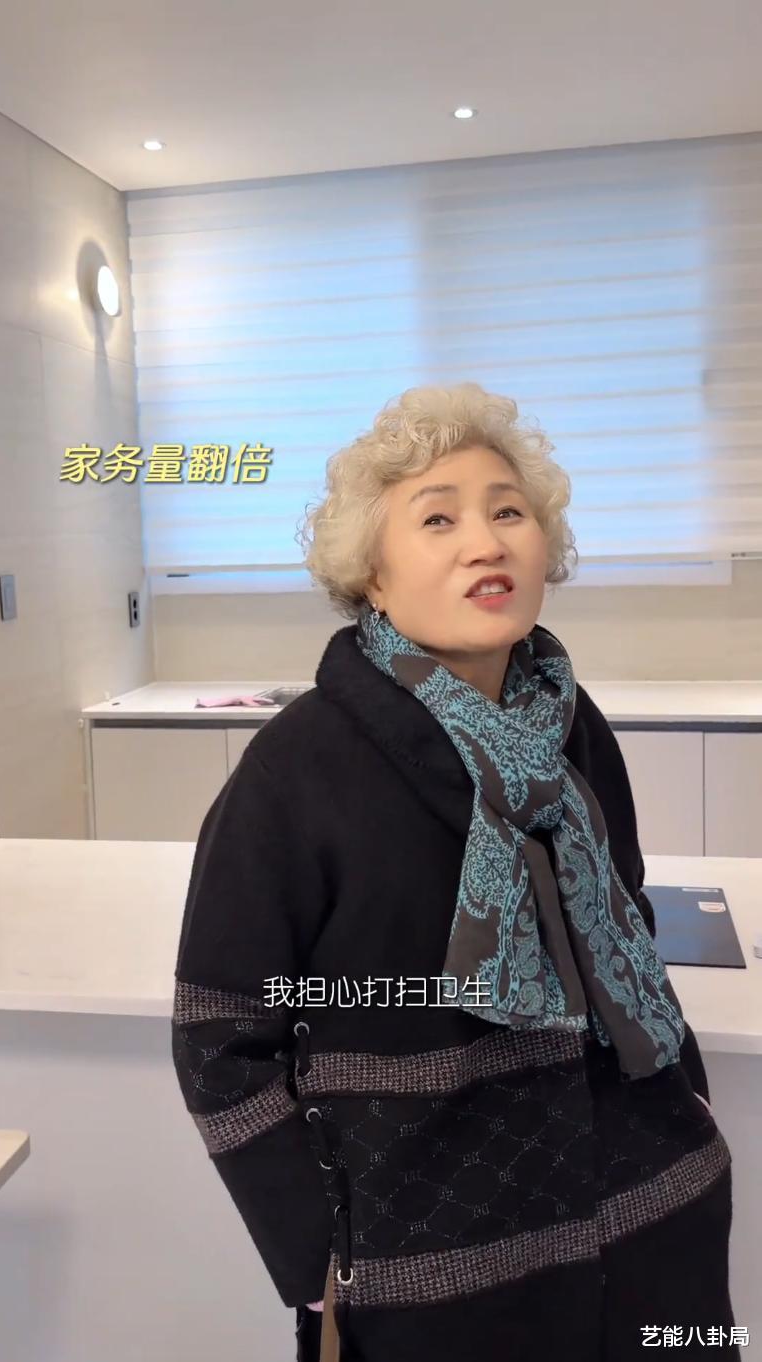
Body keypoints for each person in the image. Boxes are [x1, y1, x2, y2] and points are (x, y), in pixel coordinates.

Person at [171, 383, 739, 1361]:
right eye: (438, 519)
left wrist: (684, 1095)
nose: (486, 542)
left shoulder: (572, 726)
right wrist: (318, 1259)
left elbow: (627, 926)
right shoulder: (297, 768)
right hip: (435, 1283)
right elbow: (221, 1031)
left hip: (654, 1222)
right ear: (372, 575)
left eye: (508, 512)